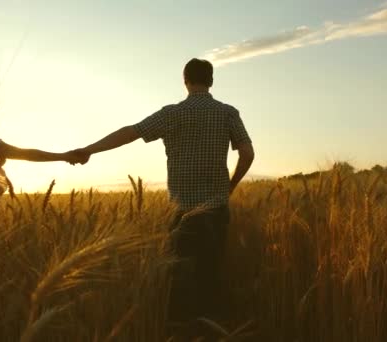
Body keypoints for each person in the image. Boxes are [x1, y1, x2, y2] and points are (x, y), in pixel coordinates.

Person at [70, 58, 255, 337]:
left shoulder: (172, 114)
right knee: (211, 276)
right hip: (217, 210)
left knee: (179, 283)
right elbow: (248, 153)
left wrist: (89, 150)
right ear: (211, 81)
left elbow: (130, 133)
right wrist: (231, 186)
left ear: (185, 80)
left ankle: (183, 333)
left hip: (181, 214)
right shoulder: (228, 113)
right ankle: (212, 333)